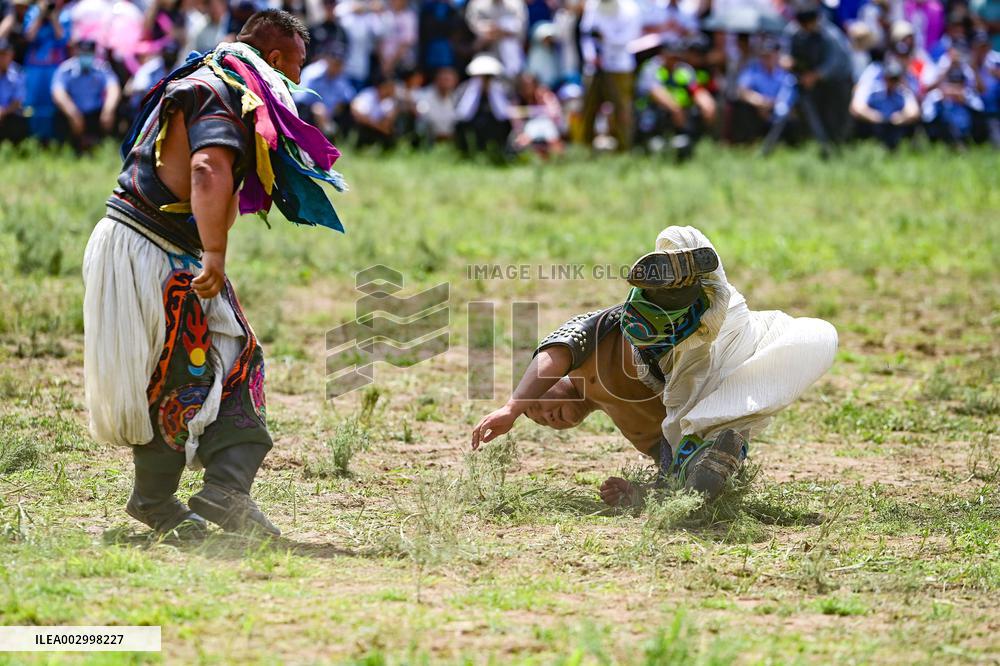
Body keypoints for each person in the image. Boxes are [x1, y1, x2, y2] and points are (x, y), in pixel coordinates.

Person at [83, 10, 346, 539]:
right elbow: (207, 168)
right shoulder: (218, 88)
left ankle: (214, 490)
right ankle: (168, 499)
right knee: (184, 371)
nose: (299, 79)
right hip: (151, 247)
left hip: (160, 247)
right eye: (297, 65)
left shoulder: (217, 82)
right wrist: (216, 254)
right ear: (276, 58)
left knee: (229, 357)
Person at [471, 226, 837, 506]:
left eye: (537, 406)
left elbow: (555, 352)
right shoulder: (630, 425)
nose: (545, 417)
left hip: (700, 330)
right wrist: (638, 493)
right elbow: (664, 458)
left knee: (679, 240)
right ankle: (713, 457)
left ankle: (677, 289)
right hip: (713, 374)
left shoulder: (580, 355)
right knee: (811, 341)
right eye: (539, 422)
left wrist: (513, 407)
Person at [785, 1, 854, 154]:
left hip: (838, 81)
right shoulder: (795, 31)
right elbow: (788, 49)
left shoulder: (831, 35)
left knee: (836, 117)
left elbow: (834, 63)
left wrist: (814, 76)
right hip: (816, 83)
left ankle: (838, 149)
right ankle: (818, 146)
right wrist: (788, 60)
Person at [634, 35, 716, 158]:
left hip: (679, 115)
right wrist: (675, 109)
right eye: (672, 57)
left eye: (678, 57)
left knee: (697, 112)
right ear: (663, 54)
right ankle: (649, 143)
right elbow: (655, 92)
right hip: (655, 114)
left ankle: (688, 141)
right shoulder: (651, 68)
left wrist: (707, 103)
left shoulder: (684, 69)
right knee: (653, 116)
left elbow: (695, 89)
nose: (675, 61)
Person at [579, 0, 642, 151]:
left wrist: (606, 37)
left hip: (620, 66)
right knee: (588, 107)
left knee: (622, 108)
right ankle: (584, 147)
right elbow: (586, 34)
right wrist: (591, 56)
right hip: (594, 67)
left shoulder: (630, 8)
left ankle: (624, 148)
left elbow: (629, 37)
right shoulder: (593, 6)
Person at [51, 39, 120, 152]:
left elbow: (113, 88)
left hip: (95, 114)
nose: (86, 56)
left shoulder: (102, 67)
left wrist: (108, 110)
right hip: (73, 113)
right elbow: (58, 93)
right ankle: (69, 148)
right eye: (83, 53)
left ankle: (104, 146)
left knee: (116, 113)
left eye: (89, 53)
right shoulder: (65, 69)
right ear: (76, 52)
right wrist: (72, 113)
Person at [21, 0, 71, 141]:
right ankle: (33, 137)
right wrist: (40, 16)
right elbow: (29, 36)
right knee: (32, 104)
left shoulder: (64, 15)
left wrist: (53, 18)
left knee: (52, 104)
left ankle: (51, 139)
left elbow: (63, 38)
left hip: (54, 67)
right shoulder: (33, 12)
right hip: (34, 67)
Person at [731, 37, 794, 144]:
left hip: (777, 111)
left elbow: (789, 97)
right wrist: (760, 102)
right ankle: (747, 142)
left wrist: (772, 105)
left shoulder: (785, 74)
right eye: (764, 56)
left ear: (777, 55)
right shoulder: (752, 69)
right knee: (742, 108)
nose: (767, 59)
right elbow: (741, 91)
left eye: (770, 55)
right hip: (756, 110)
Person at [850, 58, 920, 149]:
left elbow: (914, 112)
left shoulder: (903, 92)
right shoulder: (871, 89)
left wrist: (899, 117)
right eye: (890, 78)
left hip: (895, 127)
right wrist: (875, 116)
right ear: (884, 77)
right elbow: (856, 108)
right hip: (873, 126)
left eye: (895, 79)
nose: (892, 82)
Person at [453, 52, 513, 156]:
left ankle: (499, 153)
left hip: (493, 125)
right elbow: (463, 114)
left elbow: (503, 114)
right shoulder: (465, 88)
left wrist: (491, 92)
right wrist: (475, 91)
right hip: (472, 124)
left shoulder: (501, 88)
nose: (485, 79)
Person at [296, 46, 356, 139]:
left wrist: (339, 106)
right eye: (336, 64)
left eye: (340, 64)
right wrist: (317, 108)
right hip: (309, 112)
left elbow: (349, 97)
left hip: (330, 114)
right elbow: (299, 99)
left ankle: (337, 138)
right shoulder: (312, 73)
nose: (338, 67)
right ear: (327, 60)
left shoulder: (341, 75)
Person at [465, 0, 528, 76]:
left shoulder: (516, 4)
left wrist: (501, 30)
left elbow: (520, 30)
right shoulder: (477, 4)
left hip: (512, 59)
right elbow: (475, 28)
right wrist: (492, 31)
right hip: (486, 55)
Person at [350, 70, 399, 147]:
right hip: (366, 127)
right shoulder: (368, 95)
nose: (392, 90)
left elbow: (389, 119)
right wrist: (378, 126)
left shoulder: (390, 100)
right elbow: (356, 112)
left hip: (379, 128)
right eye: (390, 87)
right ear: (382, 87)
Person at [415, 64, 458, 142]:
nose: (445, 82)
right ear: (436, 80)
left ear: (455, 81)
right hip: (427, 139)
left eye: (448, 80)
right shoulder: (424, 95)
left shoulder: (457, 97)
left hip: (451, 140)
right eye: (443, 79)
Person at [0, 37, 27, 144]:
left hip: (10, 113)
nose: (2, 58)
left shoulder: (18, 72)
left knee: (18, 120)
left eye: (5, 54)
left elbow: (18, 100)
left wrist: (3, 111)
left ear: (11, 55)